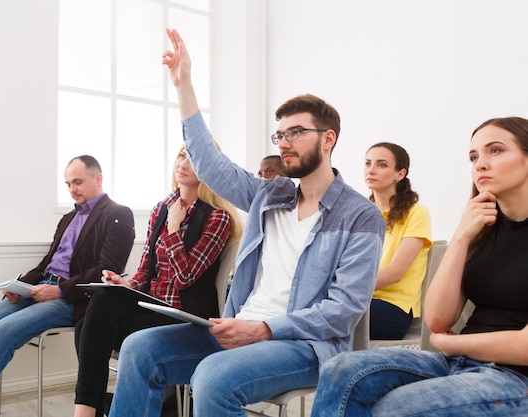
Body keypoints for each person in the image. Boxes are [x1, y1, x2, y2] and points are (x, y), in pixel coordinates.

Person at [107, 28, 385, 417]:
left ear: (328, 139)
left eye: (297, 132)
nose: (284, 142)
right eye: (281, 134)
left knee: (213, 377)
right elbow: (211, 165)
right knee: (140, 349)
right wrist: (184, 86)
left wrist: (265, 329)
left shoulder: (360, 216)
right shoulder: (271, 196)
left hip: (305, 345)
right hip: (238, 331)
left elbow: (344, 310)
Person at [312, 117, 528, 417]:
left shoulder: (415, 213)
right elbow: (438, 321)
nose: (479, 164)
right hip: (456, 361)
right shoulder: (482, 229)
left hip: (516, 377)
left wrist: (455, 344)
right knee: (340, 368)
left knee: (394, 408)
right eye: (473, 156)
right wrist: (462, 235)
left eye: (495, 151)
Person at [0, 155, 135, 417]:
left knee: (3, 331)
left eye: (78, 182)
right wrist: (20, 284)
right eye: (67, 184)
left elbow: (105, 270)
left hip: (71, 299)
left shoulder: (118, 214)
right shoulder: (67, 218)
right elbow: (46, 264)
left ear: (98, 178)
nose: (72, 189)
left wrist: (60, 291)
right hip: (38, 288)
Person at [72, 146, 243, 417]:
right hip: (150, 309)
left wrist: (174, 229)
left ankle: (89, 410)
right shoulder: (160, 209)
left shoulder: (217, 218)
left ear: (209, 169)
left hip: (183, 316)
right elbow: (144, 273)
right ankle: (97, 407)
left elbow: (185, 278)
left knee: (97, 314)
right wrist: (125, 284)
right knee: (86, 323)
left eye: (193, 157)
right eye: (181, 155)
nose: (183, 162)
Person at [364, 142, 432, 340]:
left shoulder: (416, 212)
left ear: (400, 174)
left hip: (393, 311)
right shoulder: (361, 214)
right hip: (360, 299)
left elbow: (395, 273)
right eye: (368, 163)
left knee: (325, 311)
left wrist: (346, 288)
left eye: (381, 165)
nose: (371, 170)